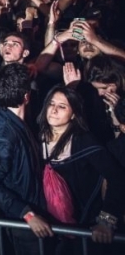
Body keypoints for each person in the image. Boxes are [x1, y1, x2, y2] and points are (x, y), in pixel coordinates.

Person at [37, 85, 125, 252]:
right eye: (51, 104)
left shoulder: (84, 141)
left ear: (74, 114)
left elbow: (117, 178)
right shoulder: (37, 136)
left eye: (62, 106)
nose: (54, 110)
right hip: (52, 224)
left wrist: (105, 220)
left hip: (83, 225)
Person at [0, 64, 52, 254]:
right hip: (24, 222)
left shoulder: (10, 115)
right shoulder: (3, 136)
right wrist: (26, 213)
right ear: (26, 96)